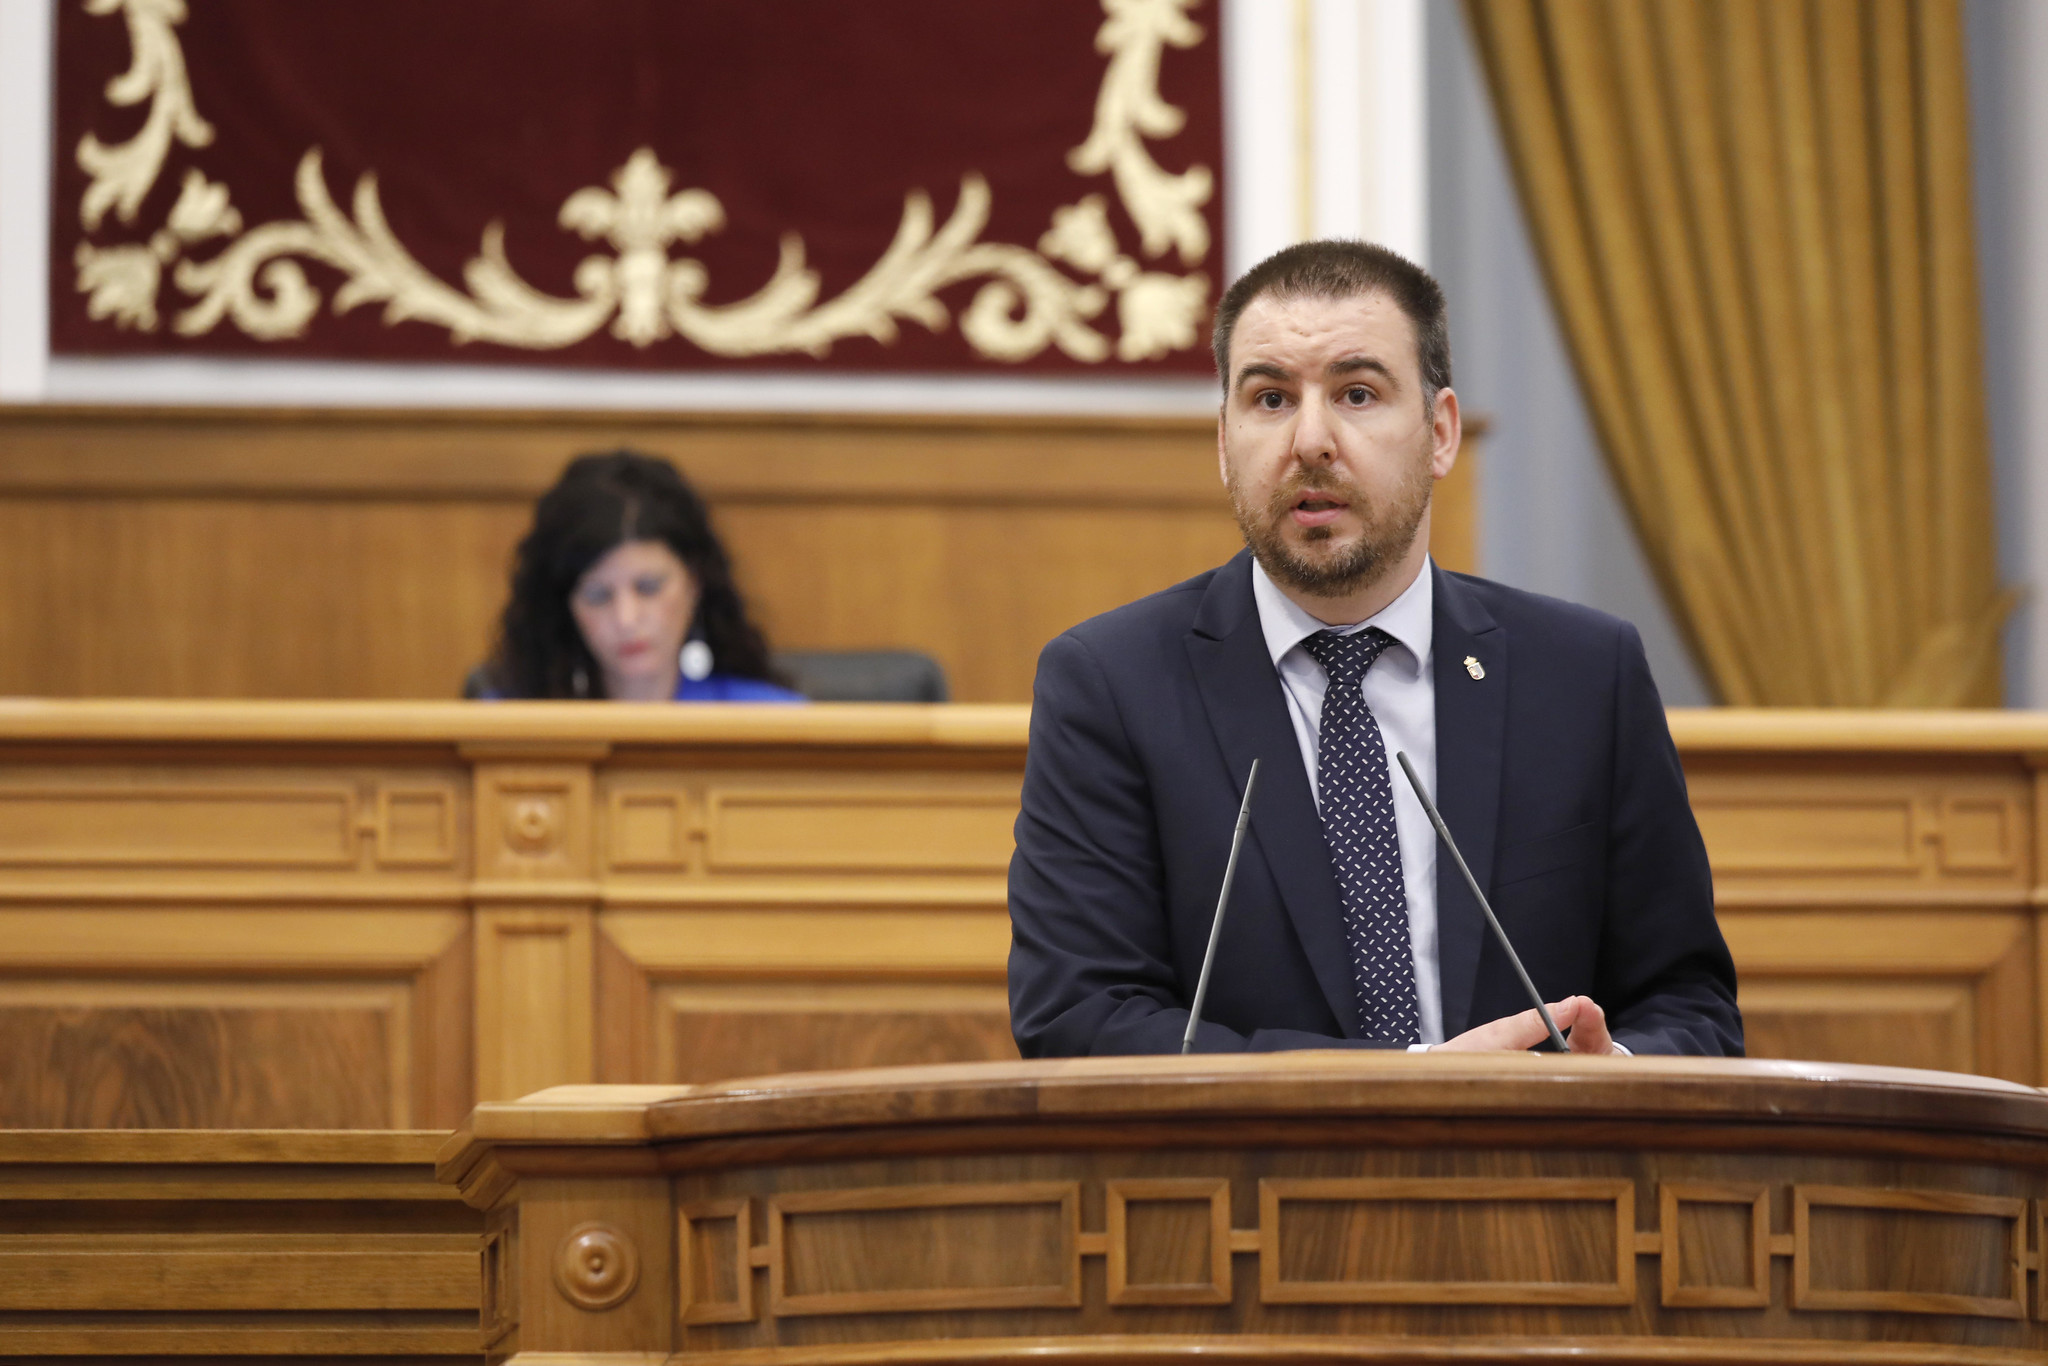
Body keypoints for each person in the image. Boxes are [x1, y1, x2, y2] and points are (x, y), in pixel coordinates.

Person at [1007, 240, 1740, 1057]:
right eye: (1271, 399)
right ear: (1224, 442)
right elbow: (1080, 1020)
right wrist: (1414, 1082)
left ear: (1439, 432)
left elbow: (1688, 1001)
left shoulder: (1582, 674)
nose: (1311, 440)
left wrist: (1610, 1077)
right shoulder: (1111, 685)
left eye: (1356, 393)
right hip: (1245, 1182)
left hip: (1540, 1176)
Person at [478, 450, 803, 703]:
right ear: (565, 606)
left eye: (648, 588)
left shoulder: (775, 721)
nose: (626, 619)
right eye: (598, 596)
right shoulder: (508, 728)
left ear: (695, 582)